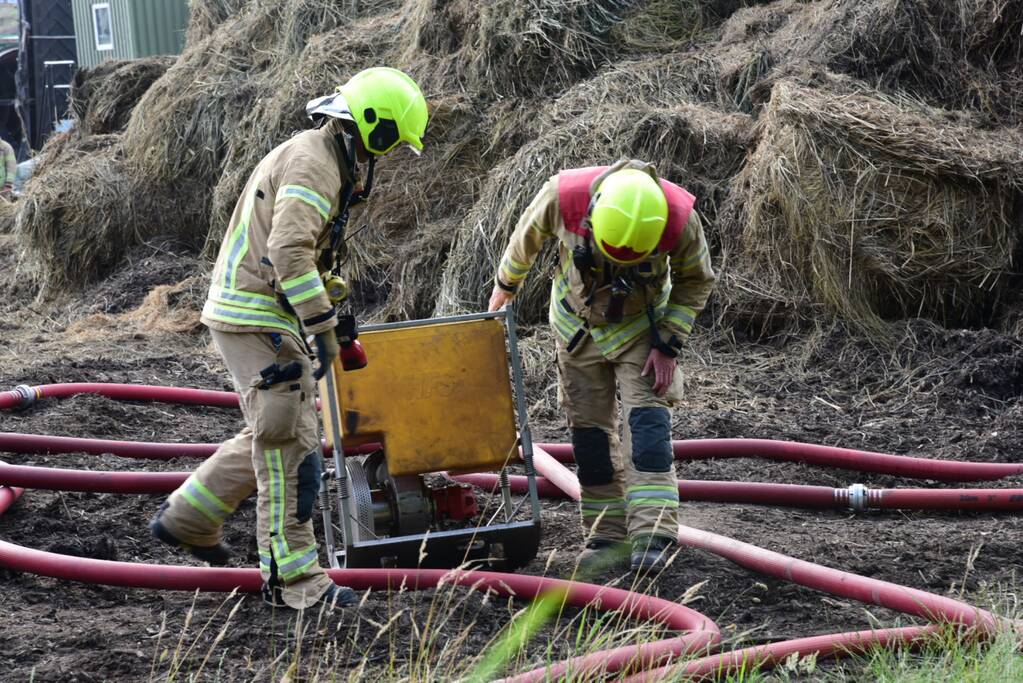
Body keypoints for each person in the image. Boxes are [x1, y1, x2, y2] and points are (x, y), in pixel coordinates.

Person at [150, 67, 429, 610]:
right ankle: (295, 581)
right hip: (257, 314)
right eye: (393, 141)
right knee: (289, 444)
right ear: (373, 127)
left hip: (260, 311)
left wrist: (328, 311)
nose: (391, 154)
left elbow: (302, 255)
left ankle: (191, 516)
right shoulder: (314, 164)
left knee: (275, 427)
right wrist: (322, 326)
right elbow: (288, 252)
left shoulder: (325, 157)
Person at [488, 159, 716, 573]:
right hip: (577, 326)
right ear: (591, 217)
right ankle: (606, 534)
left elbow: (697, 280)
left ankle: (653, 535)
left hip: (642, 328)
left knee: (648, 432)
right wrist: (505, 286)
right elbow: (525, 238)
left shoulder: (679, 218)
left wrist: (668, 344)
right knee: (590, 437)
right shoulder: (563, 196)